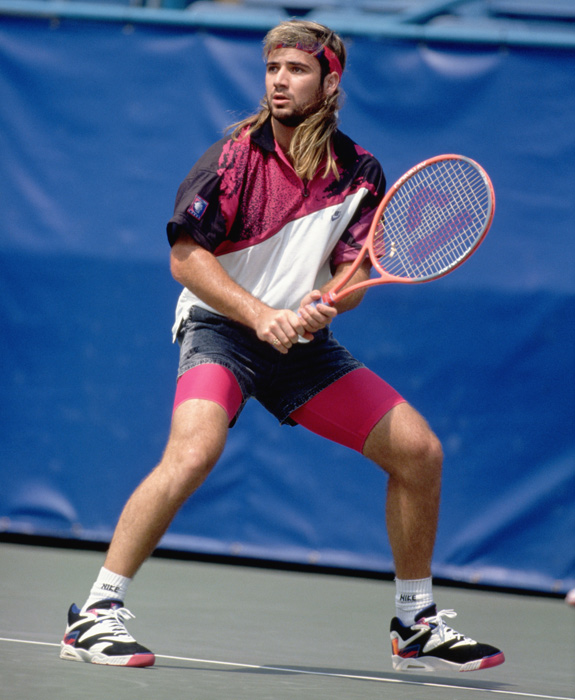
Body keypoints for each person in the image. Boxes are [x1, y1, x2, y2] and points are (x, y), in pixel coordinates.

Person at [60, 19, 505, 673]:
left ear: (330, 83)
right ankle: (95, 613)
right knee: (194, 451)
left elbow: (353, 276)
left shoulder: (359, 173)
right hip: (220, 329)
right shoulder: (233, 157)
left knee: (419, 451)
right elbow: (186, 258)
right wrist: (259, 313)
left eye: (296, 70)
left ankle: (415, 623)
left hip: (303, 347)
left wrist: (327, 302)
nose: (279, 81)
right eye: (272, 68)